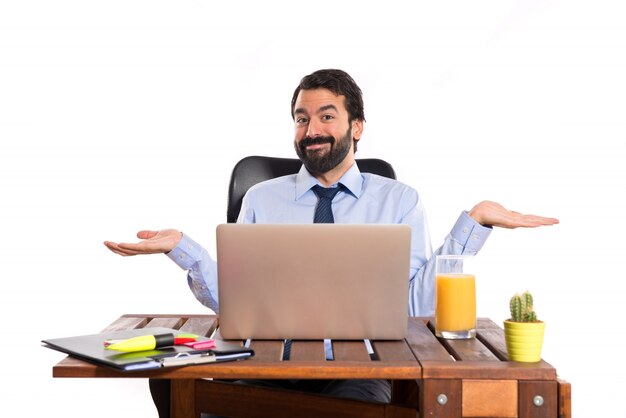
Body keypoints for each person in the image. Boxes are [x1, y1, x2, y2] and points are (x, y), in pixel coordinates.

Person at [104, 69, 559, 417]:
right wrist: (183, 247)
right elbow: (235, 302)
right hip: (265, 366)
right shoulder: (261, 198)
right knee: (169, 382)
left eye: (326, 116)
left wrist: (473, 224)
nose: (312, 129)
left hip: (357, 371)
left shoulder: (399, 201)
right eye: (302, 119)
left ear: (356, 127)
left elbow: (415, 305)